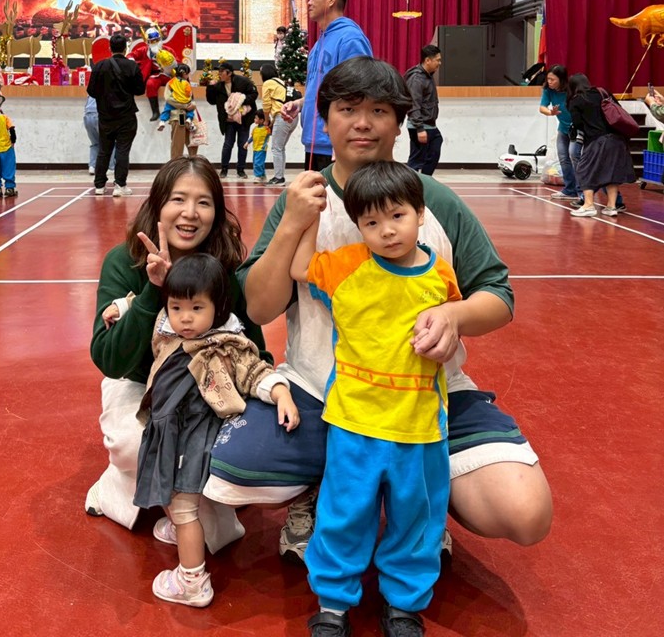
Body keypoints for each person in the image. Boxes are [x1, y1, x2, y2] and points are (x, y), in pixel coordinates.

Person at [204, 57, 551, 566]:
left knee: (524, 511)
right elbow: (259, 306)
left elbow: (497, 295)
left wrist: (454, 318)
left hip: (426, 392)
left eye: (379, 111)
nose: (362, 123)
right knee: (233, 469)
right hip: (323, 390)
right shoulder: (303, 201)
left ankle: (419, 498)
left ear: (399, 122)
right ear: (325, 121)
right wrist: (291, 225)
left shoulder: (434, 201)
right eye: (347, 109)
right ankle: (323, 487)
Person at [290, 161, 461, 637]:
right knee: (343, 515)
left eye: (397, 216)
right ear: (358, 226)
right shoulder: (347, 266)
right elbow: (300, 268)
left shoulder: (441, 276)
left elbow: (452, 325)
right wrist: (307, 218)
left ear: (420, 214)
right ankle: (332, 605)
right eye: (371, 222)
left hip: (420, 427)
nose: (386, 230)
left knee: (417, 520)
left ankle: (404, 605)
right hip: (354, 424)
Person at [85, 156, 269, 554]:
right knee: (138, 442)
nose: (190, 213)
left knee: (229, 474)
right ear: (157, 205)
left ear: (216, 213)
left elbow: (254, 347)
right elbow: (110, 361)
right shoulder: (123, 262)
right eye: (178, 199)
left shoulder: (224, 268)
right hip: (143, 386)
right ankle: (119, 483)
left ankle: (188, 496)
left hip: (209, 388)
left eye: (203, 202)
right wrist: (153, 290)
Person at [102, 253, 299, 608]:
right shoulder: (169, 326)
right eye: (177, 307)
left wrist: (281, 392)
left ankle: (192, 581)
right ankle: (184, 529)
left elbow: (254, 371)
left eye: (196, 308)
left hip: (191, 440)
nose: (185, 318)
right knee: (168, 493)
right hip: (168, 431)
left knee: (183, 508)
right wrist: (121, 307)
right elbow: (149, 307)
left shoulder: (225, 346)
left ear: (218, 308)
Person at [281, 0, 372, 171]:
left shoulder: (350, 38)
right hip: (314, 143)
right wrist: (300, 103)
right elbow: (322, 89)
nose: (309, 2)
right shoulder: (318, 44)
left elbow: (360, 92)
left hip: (336, 146)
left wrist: (346, 139)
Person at [566, 73, 636, 217]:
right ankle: (611, 207)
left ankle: (588, 205)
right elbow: (618, 109)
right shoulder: (603, 92)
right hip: (617, 139)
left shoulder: (576, 100)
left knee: (584, 170)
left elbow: (578, 124)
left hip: (597, 140)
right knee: (611, 173)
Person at [87, 32, 145, 197]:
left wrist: (105, 97)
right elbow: (140, 90)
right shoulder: (132, 66)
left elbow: (91, 91)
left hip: (105, 116)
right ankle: (120, 185)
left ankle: (99, 185)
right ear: (126, 48)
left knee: (104, 150)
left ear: (109, 48)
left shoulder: (99, 66)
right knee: (122, 150)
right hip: (126, 116)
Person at [205, 62, 258, 179]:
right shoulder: (218, 86)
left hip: (244, 119)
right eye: (219, 72)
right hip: (228, 121)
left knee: (242, 144)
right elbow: (211, 101)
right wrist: (210, 87)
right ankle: (224, 169)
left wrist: (240, 100)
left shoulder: (243, 81)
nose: (219, 74)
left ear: (229, 73)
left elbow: (254, 94)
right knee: (228, 144)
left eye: (221, 72)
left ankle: (241, 170)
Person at [538, 64, 580, 200]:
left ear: (561, 79)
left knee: (575, 157)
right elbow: (542, 107)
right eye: (548, 79)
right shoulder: (548, 90)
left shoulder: (572, 89)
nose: (549, 82)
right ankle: (569, 189)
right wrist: (551, 112)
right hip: (563, 129)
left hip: (576, 129)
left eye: (553, 79)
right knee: (563, 158)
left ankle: (582, 191)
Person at [404, 44, 443, 175]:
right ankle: (408, 184)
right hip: (420, 125)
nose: (439, 63)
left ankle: (425, 180)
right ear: (427, 60)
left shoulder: (427, 76)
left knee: (435, 146)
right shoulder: (417, 78)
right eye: (437, 60)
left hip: (429, 124)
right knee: (416, 160)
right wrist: (420, 129)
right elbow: (413, 104)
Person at [157, 64, 199, 160]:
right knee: (178, 142)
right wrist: (186, 106)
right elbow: (169, 99)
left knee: (192, 142)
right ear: (184, 73)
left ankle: (193, 162)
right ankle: (176, 163)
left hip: (187, 116)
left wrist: (193, 105)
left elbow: (190, 98)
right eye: (188, 73)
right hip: (179, 116)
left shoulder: (185, 83)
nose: (188, 76)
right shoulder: (171, 83)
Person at [83, 95, 116, 176]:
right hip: (99, 114)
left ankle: (92, 166)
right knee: (110, 142)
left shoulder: (92, 89)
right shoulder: (108, 88)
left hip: (87, 116)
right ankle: (110, 167)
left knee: (95, 143)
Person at [245, 109, 270, 183]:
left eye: (256, 118)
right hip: (255, 149)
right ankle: (263, 175)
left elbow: (270, 133)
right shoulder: (255, 129)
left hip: (261, 149)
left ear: (262, 120)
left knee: (257, 163)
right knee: (258, 163)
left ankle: (258, 176)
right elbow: (252, 137)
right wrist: (247, 142)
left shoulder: (266, 129)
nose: (254, 119)